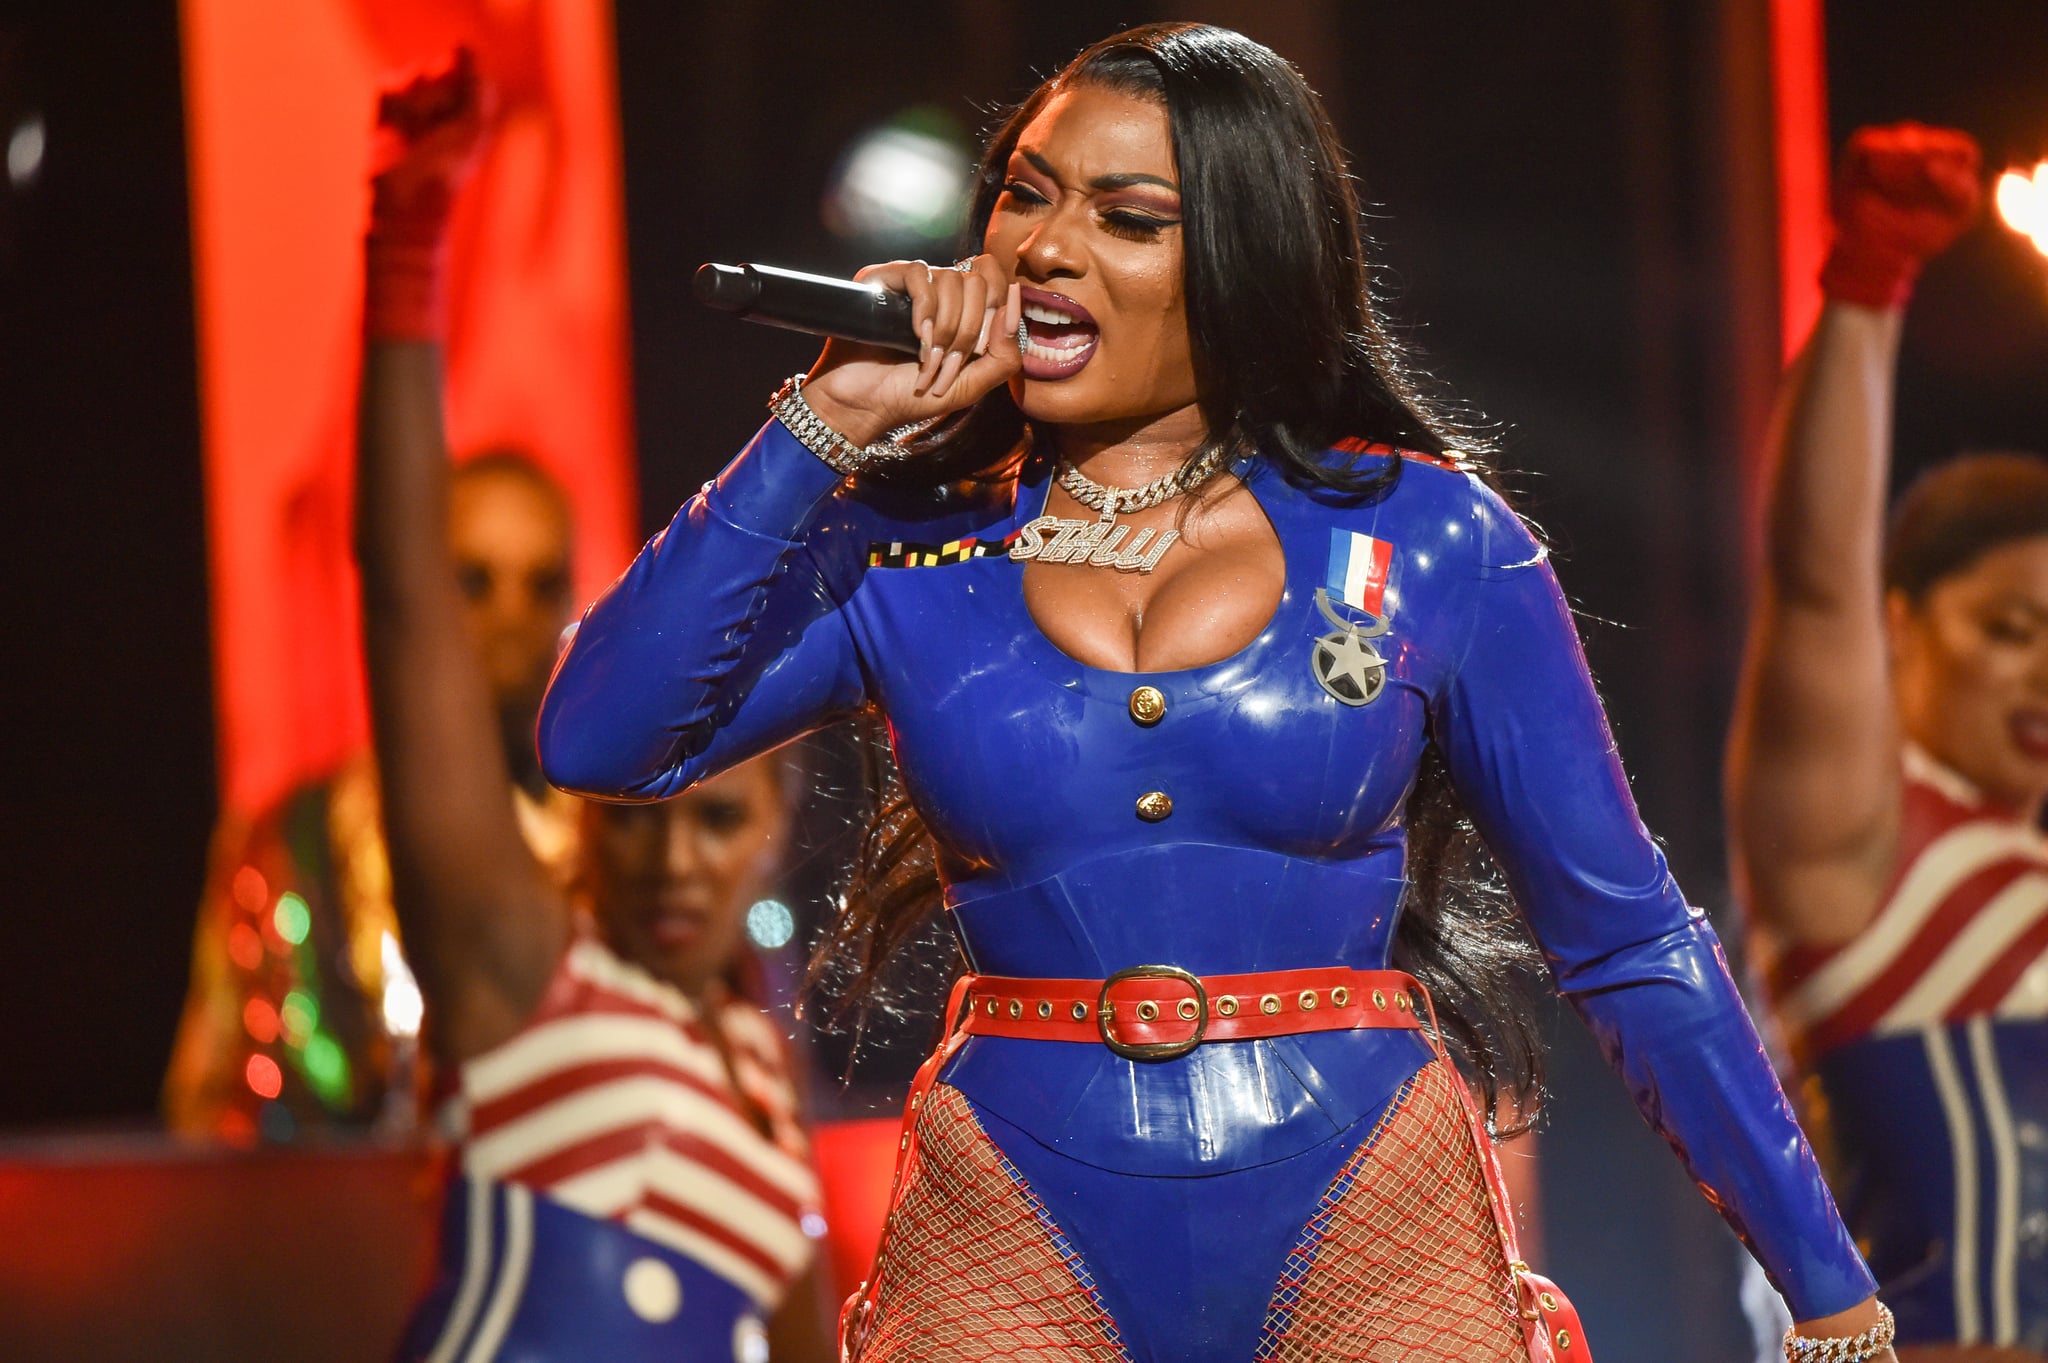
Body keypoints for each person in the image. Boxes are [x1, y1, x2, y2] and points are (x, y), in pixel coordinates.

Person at [541, 24, 1892, 1363]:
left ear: (1244, 264)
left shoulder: (1433, 541)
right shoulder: (901, 545)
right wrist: (819, 426)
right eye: (1024, 193)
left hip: (1369, 1203)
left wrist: (1831, 1296)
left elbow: (1629, 937)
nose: (1044, 248)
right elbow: (596, 734)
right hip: (1011, 1215)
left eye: (1126, 219)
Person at [358, 54, 830, 1362]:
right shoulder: (527, 973)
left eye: (716, 815)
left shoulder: (761, 1077)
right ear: (582, 823)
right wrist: (404, 247)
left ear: (775, 828)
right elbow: (405, 604)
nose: (673, 856)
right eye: (631, 821)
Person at [1728, 122, 2046, 1361]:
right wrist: (1868, 283)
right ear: (1899, 629)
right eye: (2008, 627)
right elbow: (1813, 576)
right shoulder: (1861, 850)